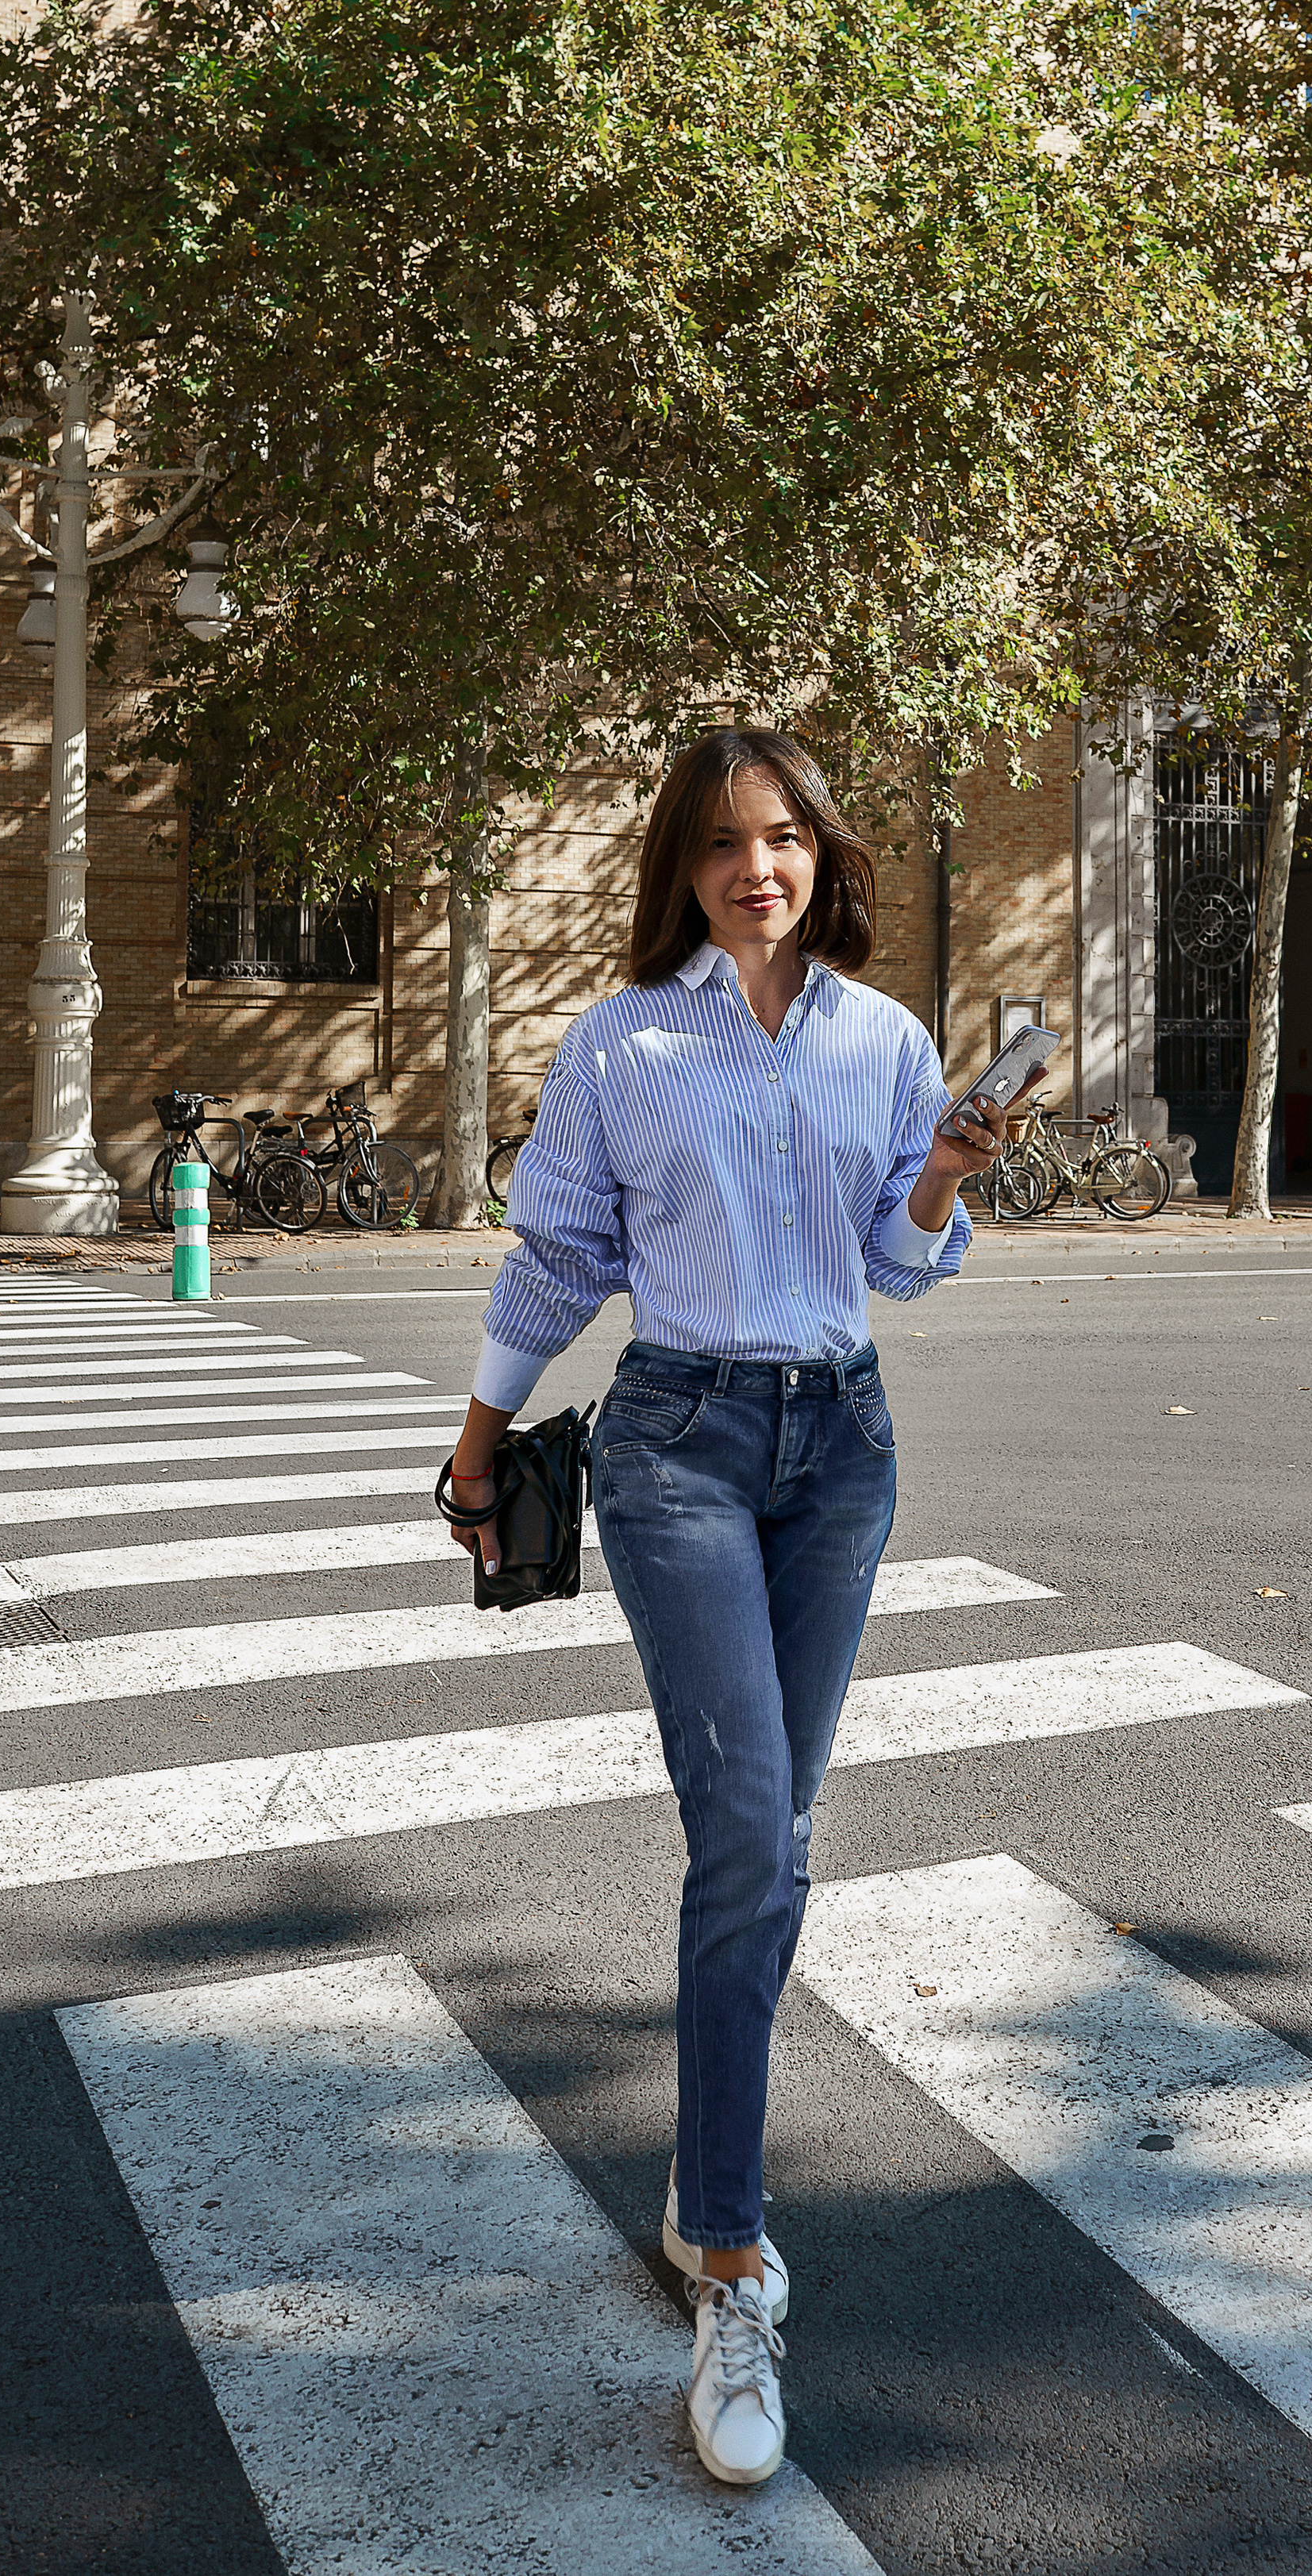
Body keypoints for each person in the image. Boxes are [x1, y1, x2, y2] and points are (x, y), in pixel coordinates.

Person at [444, 725, 1018, 2490]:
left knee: (773, 1837)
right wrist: (476, 1442)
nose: (753, 868)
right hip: (678, 1441)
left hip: (841, 1445)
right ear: (680, 869)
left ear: (819, 854)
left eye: (779, 838)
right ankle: (733, 2265)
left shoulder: (885, 1038)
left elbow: (895, 1265)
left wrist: (945, 1171)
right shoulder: (623, 1042)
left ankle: (704, 2191)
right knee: (752, 1838)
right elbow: (560, 1255)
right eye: (718, 844)